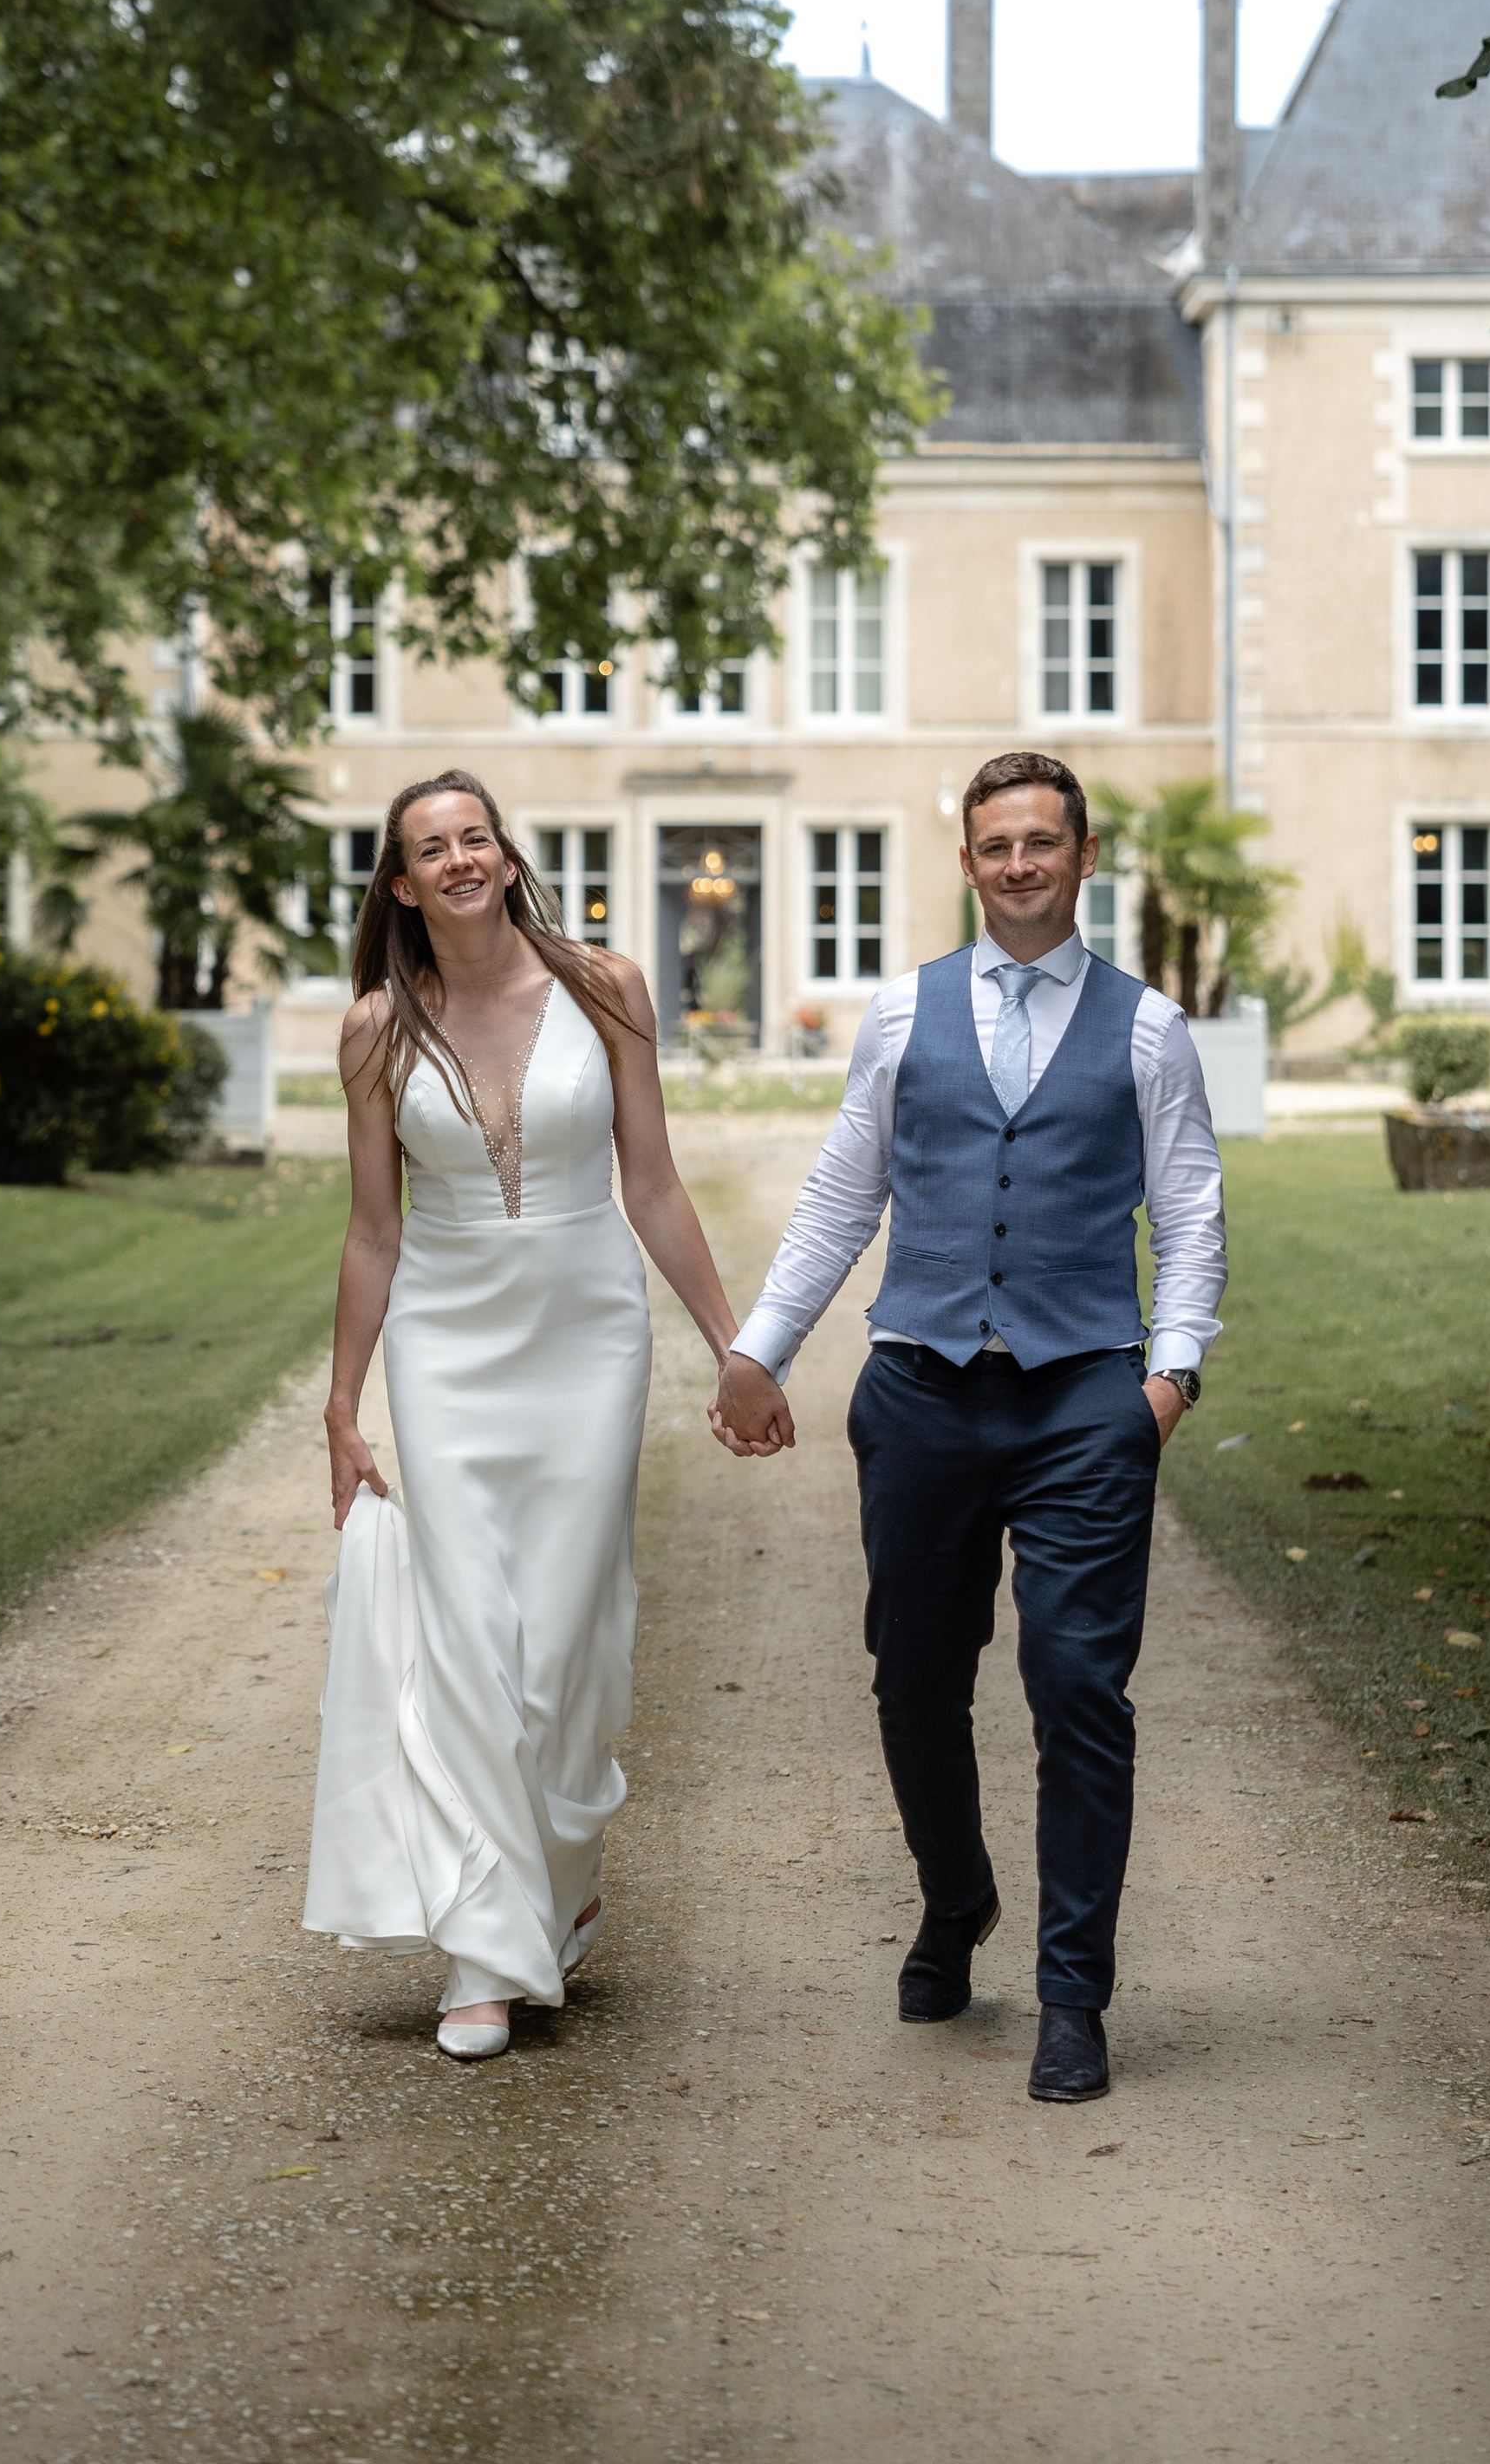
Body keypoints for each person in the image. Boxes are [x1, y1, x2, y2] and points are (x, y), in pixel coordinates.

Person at [710, 749, 1225, 2103]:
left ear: (1084, 856)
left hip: (1083, 1405)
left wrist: (1163, 1381)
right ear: (967, 861)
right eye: (996, 845)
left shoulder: (1148, 1028)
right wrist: (759, 1351)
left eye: (1042, 843)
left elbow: (1191, 1215)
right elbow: (838, 1199)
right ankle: (956, 1901)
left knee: (1078, 1693)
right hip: (923, 1393)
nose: (1018, 866)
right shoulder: (900, 1017)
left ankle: (1073, 1996)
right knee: (915, 1679)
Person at [302, 768, 743, 2060]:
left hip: (587, 1340)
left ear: (506, 855)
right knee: (471, 1640)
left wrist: (735, 1345)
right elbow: (373, 1233)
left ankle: (561, 1877)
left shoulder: (607, 990)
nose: (457, 861)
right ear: (399, 881)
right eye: (428, 848)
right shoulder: (377, 1029)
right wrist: (343, 1405)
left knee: (565, 1637)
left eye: (474, 837)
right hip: (445, 1346)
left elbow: (652, 1185)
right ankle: (487, 1955)